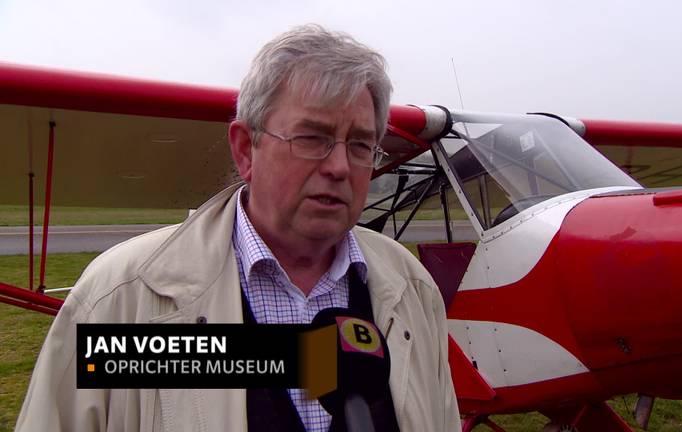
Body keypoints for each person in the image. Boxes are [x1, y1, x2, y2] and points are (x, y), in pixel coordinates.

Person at [16, 24, 460, 432]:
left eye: (360, 144)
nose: (340, 166)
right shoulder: (121, 296)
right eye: (312, 138)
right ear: (247, 150)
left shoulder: (413, 289)